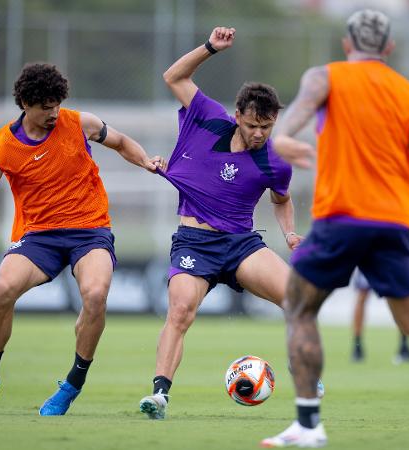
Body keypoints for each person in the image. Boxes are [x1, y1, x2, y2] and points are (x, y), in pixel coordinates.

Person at [260, 9, 409, 448]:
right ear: (389, 49)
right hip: (395, 220)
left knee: (300, 307)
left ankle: (308, 427)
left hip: (342, 216)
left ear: (347, 45)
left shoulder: (326, 76)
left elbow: (294, 120)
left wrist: (284, 138)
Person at [138, 26, 317, 420]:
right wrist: (209, 48)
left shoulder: (275, 160)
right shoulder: (206, 117)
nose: (258, 133)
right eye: (252, 124)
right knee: (181, 311)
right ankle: (159, 395)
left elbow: (282, 200)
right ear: (237, 115)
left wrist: (289, 233)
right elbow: (174, 77)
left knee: (299, 298)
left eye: (266, 127)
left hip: (240, 244)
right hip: (193, 242)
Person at [0, 63, 166, 413]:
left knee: (96, 293)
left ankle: (73, 384)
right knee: (0, 291)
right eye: (45, 106)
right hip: (38, 237)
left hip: (89, 231)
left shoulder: (79, 123)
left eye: (57, 103)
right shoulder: (4, 145)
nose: (53, 113)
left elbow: (121, 142)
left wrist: (145, 161)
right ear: (25, 104)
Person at [350, 269, 409, 364]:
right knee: (364, 295)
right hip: (376, 258)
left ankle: (404, 345)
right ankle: (357, 346)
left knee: (397, 296)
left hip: (384, 258)